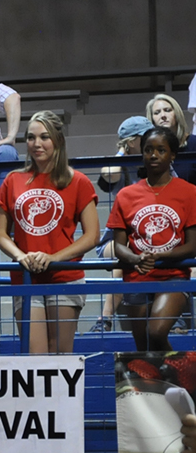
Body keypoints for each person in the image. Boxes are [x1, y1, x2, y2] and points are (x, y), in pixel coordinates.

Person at [0, 110, 99, 354]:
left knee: (61, 355)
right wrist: (20, 256)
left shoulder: (78, 181)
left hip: (64, 277)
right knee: (35, 357)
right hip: (26, 278)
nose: (36, 144)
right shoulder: (13, 180)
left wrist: (53, 258)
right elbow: (0, 233)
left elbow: (92, 235)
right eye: (31, 137)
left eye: (44, 137)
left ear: (58, 140)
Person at [107, 127, 196, 352]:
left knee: (155, 332)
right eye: (148, 150)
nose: (153, 155)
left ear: (173, 154)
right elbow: (118, 245)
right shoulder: (126, 195)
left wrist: (159, 256)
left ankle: (181, 373)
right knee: (144, 348)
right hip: (137, 277)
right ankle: (165, 385)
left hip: (173, 276)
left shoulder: (189, 192)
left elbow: (192, 246)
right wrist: (136, 258)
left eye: (161, 150)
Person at [88, 116, 153, 334]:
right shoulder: (121, 166)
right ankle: (104, 319)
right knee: (128, 253)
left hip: (151, 236)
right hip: (116, 240)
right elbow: (107, 176)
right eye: (145, 137)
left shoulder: (157, 164)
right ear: (132, 141)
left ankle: (176, 319)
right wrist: (123, 152)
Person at [146, 94, 196, 182]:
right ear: (152, 119)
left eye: (167, 110)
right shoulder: (149, 150)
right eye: (157, 112)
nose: (163, 115)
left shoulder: (193, 143)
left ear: (176, 114)